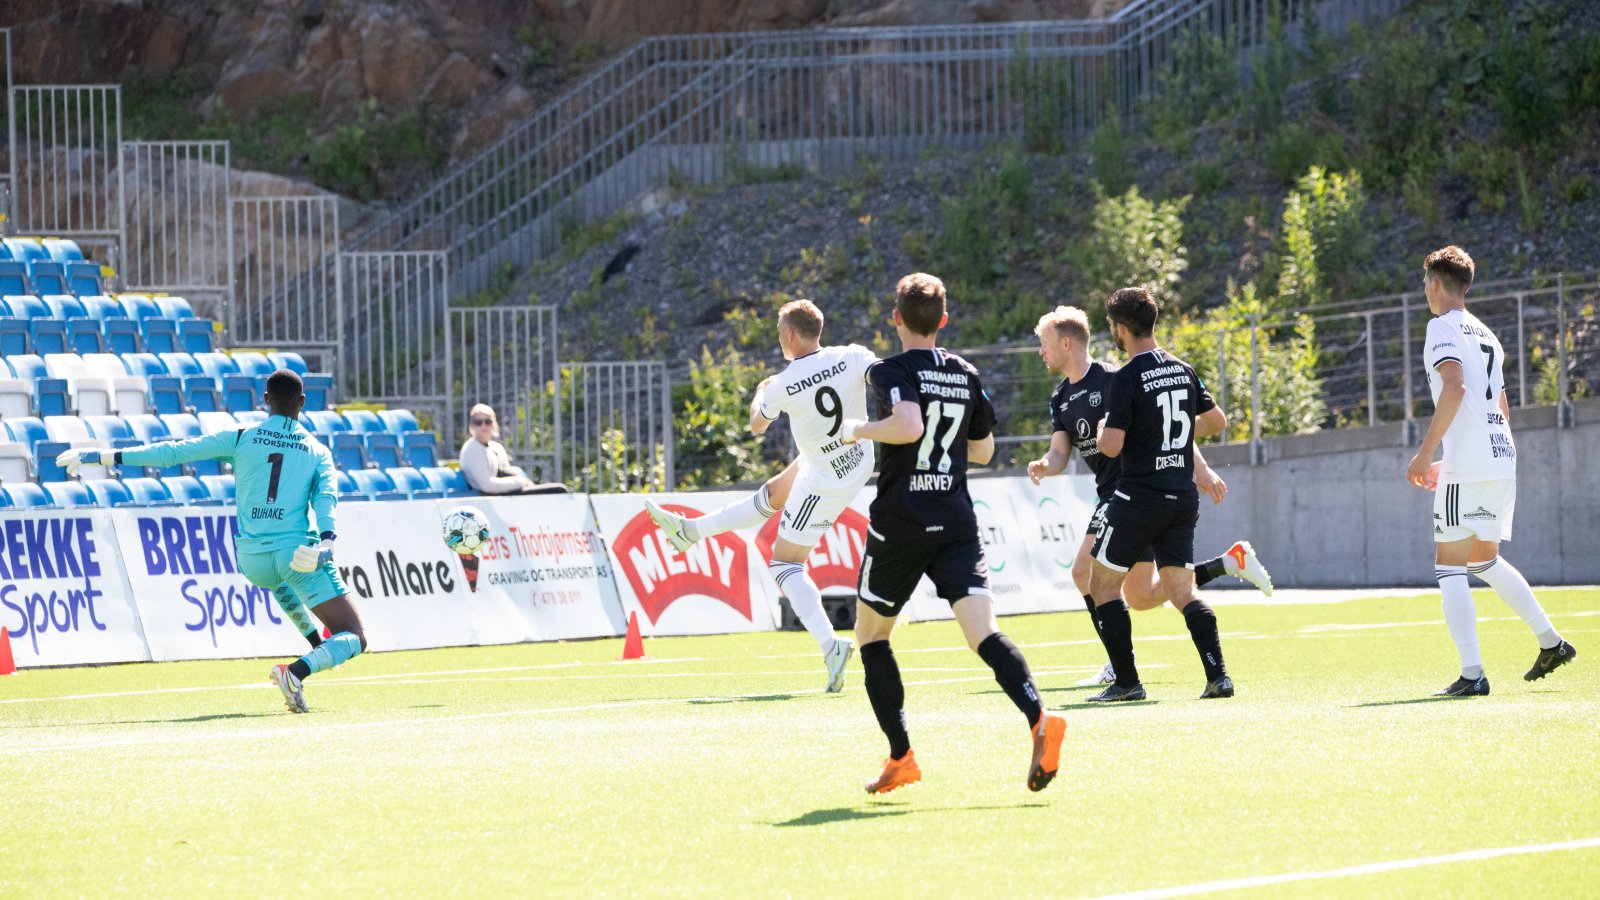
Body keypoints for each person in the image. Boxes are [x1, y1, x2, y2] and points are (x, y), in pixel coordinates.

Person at [842, 273, 1066, 795]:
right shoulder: (965, 373)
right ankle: (1038, 718)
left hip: (901, 521)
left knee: (871, 636)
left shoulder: (888, 370)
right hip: (957, 520)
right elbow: (985, 451)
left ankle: (901, 756)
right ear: (943, 320)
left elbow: (909, 426)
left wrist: (859, 430)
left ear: (896, 318)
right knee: (983, 635)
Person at [58, 370, 365, 713]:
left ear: (265, 400)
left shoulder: (240, 437)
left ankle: (312, 645)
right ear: (303, 403)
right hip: (294, 553)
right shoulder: (317, 451)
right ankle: (295, 672)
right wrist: (327, 543)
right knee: (355, 635)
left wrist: (101, 456)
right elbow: (326, 500)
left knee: (277, 579)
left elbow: (172, 453)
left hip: (251, 560)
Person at [1025, 305, 1273, 688]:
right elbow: (1060, 452)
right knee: (1142, 596)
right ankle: (1227, 563)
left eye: (1044, 343)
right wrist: (1045, 463)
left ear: (1066, 342)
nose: (1041, 351)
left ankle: (1118, 669)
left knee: (1085, 574)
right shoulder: (1060, 398)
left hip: (1127, 491)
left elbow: (1158, 423)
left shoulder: (1113, 377)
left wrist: (1201, 467)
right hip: (1129, 494)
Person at [645, 299, 870, 693]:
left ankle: (831, 646)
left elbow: (756, 425)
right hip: (855, 456)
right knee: (772, 493)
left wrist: (760, 391)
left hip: (826, 477)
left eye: (779, 330)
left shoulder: (783, 383)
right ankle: (689, 531)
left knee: (784, 564)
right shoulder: (851, 355)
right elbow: (881, 373)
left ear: (789, 334)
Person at [1406, 245, 1576, 697]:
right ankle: (1550, 641)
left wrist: (1425, 454)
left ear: (1437, 284)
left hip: (1476, 463)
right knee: (1484, 559)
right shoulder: (1488, 334)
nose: (1425, 290)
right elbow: (1499, 404)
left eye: (1425, 282)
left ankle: (1472, 673)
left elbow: (1455, 386)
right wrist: (1472, 453)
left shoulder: (1440, 326)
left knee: (1449, 565)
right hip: (1500, 456)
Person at [1085, 288, 1233, 702]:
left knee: (1103, 586)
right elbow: (1216, 421)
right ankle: (1218, 675)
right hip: (1182, 497)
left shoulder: (1123, 376)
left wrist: (1106, 429)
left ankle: (1127, 683)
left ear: (1120, 328)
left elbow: (1111, 446)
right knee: (1182, 591)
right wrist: (1176, 432)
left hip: (1137, 499)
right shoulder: (1183, 369)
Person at [459, 403, 567, 495]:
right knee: (559, 490)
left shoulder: (495, 447)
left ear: (494, 424)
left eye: (488, 421)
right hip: (493, 496)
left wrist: (523, 481)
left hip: (508, 493)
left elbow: (504, 471)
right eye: (479, 422)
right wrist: (519, 482)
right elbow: (486, 485)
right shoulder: (472, 449)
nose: (484, 426)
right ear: (472, 426)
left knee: (557, 489)